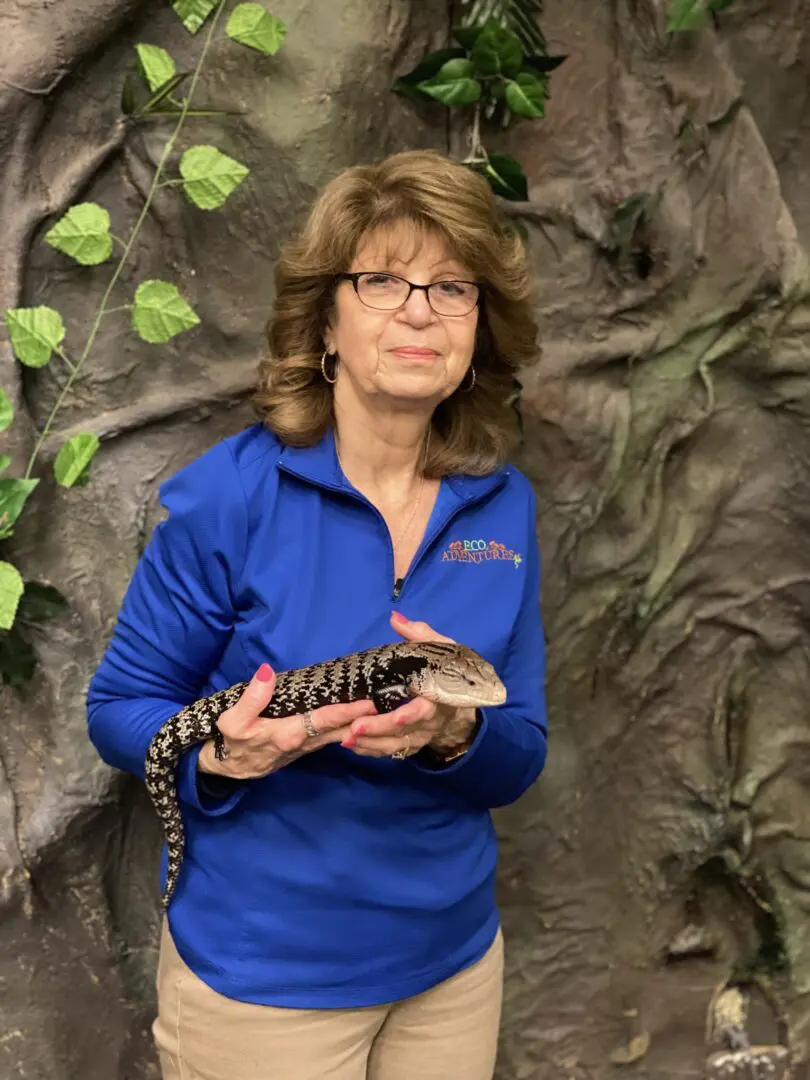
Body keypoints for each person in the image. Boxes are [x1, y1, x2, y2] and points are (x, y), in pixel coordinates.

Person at [85, 147, 548, 1080]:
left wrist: (454, 734)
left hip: (452, 969)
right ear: (325, 324)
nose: (421, 308)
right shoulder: (226, 498)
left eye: (453, 288)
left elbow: (522, 746)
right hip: (267, 986)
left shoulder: (502, 504)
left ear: (476, 335)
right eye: (383, 280)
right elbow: (118, 708)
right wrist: (220, 753)